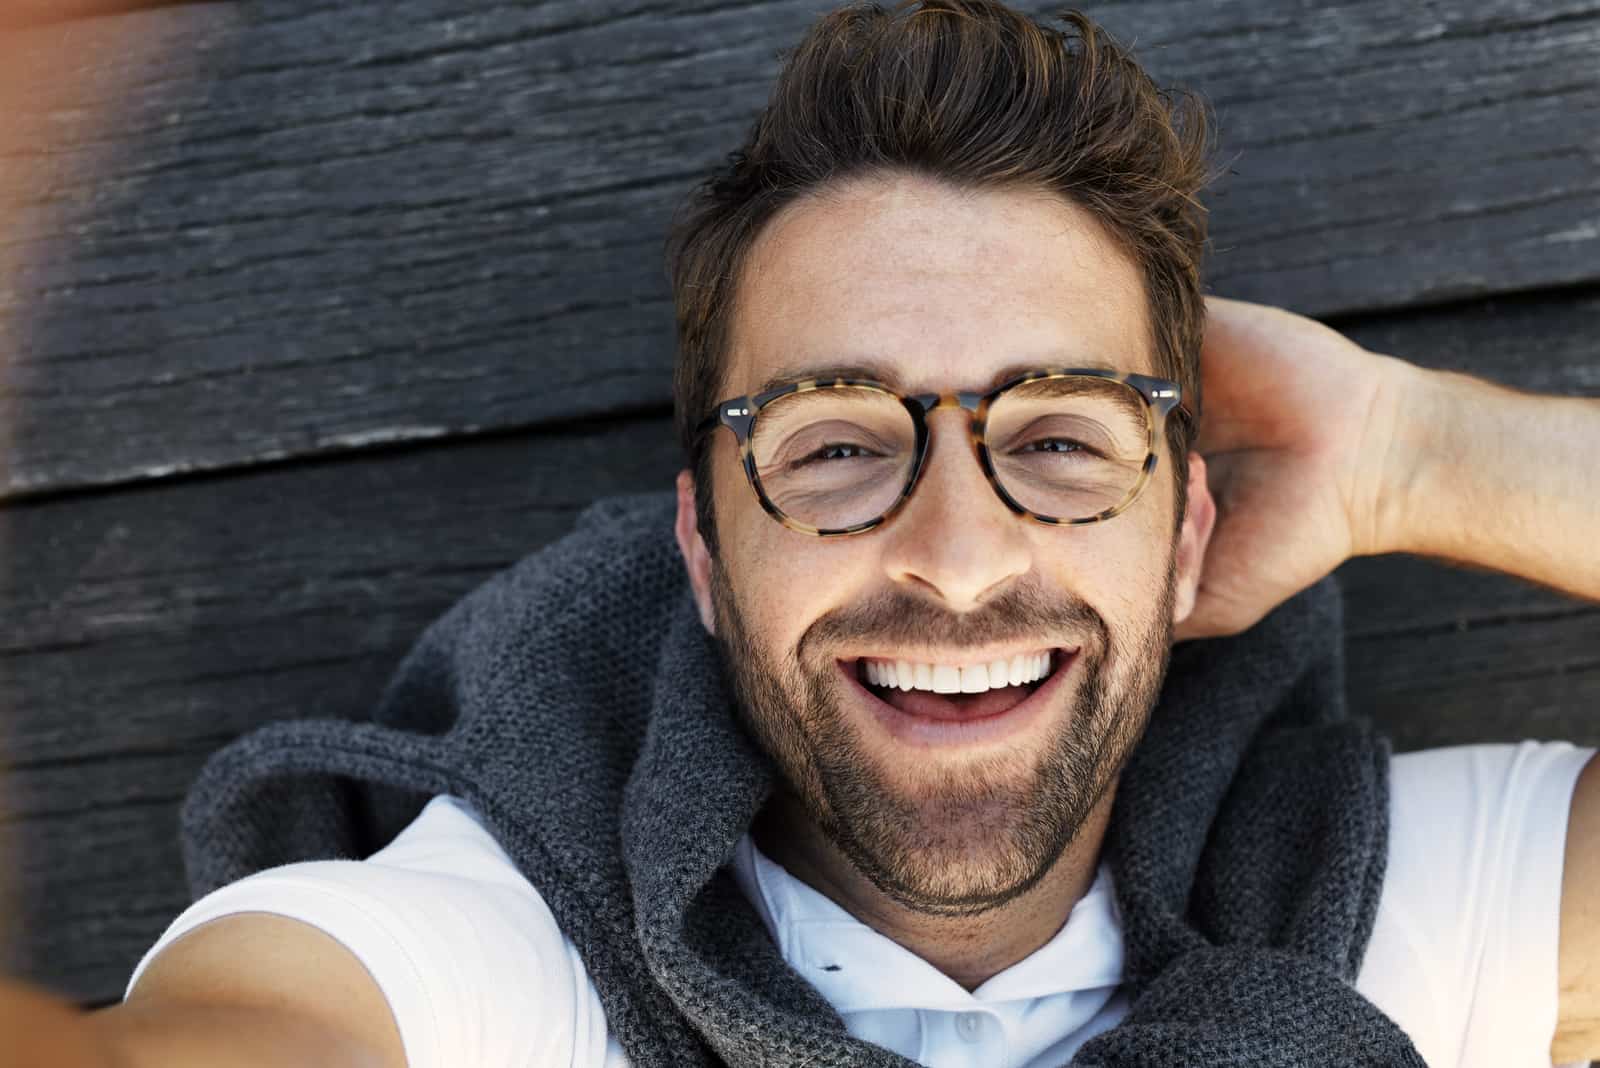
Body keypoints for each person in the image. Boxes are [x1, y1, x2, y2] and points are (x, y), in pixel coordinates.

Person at [10, 1, 1600, 1066]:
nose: (960, 557)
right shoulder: (494, 948)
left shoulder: (1388, 903)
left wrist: (1421, 451)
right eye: (838, 447)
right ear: (702, 548)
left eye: (1057, 439)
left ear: (1188, 535)